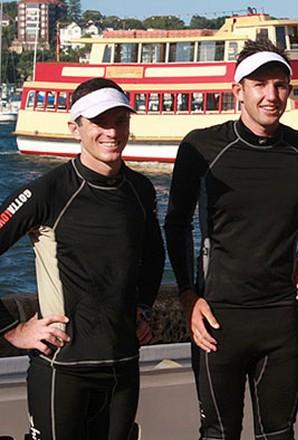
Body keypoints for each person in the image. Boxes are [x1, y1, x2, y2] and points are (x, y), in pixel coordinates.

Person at [164, 38, 298, 440]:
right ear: (239, 91)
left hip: (279, 320)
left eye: (280, 85)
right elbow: (177, 225)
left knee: (279, 433)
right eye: (259, 84)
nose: (272, 95)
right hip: (219, 318)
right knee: (218, 433)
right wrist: (187, 296)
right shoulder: (202, 147)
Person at [0, 77, 165, 439]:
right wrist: (11, 329)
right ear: (75, 128)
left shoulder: (139, 189)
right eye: (99, 122)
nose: (111, 132)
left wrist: (144, 308)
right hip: (63, 367)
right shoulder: (47, 191)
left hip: (123, 365)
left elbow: (154, 255)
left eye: (120, 120)